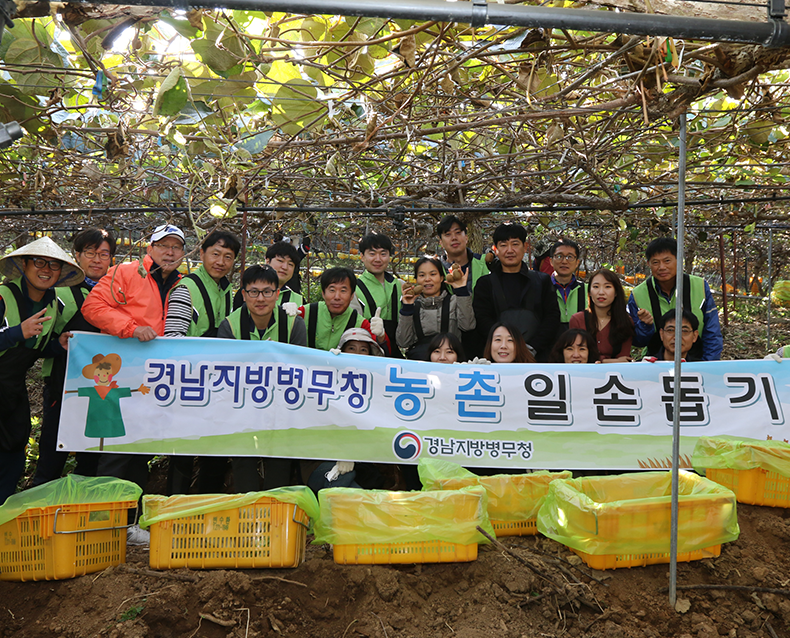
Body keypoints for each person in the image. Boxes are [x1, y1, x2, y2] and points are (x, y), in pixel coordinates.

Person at [81, 223, 185, 543]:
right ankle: (103, 524)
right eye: (163, 245)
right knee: (115, 452)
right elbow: (92, 307)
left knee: (141, 452)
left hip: (155, 381)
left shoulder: (182, 283)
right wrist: (130, 327)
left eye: (176, 247)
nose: (170, 252)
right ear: (150, 248)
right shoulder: (125, 273)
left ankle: (129, 525)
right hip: (121, 374)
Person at [0, 236, 84, 503]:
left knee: (14, 449)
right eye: (39, 262)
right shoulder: (3, 297)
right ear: (24, 264)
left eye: (54, 265)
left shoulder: (52, 303)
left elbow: (36, 349)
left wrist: (58, 345)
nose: (46, 270)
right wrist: (15, 333)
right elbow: (18, 338)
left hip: (11, 390)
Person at [32, 228, 116, 487]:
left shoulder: (118, 293)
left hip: (102, 392)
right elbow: (36, 343)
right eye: (89, 252)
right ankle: (40, 514)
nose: (96, 259)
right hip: (62, 385)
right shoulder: (59, 293)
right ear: (76, 256)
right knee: (52, 453)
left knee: (92, 458)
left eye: (104, 254)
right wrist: (58, 345)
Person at [218, 265, 307, 491]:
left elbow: (299, 368)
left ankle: (275, 509)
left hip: (282, 404)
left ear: (277, 294)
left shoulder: (294, 324)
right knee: (242, 457)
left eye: (267, 292)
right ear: (244, 294)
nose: (261, 298)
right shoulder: (230, 325)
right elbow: (226, 371)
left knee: (280, 459)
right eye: (254, 292)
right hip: (242, 404)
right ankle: (246, 506)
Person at [163, 230, 240, 495]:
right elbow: (172, 338)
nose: (220, 261)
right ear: (202, 253)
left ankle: (206, 506)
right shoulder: (187, 289)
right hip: (189, 382)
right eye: (215, 254)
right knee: (182, 451)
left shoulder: (226, 291)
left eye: (228, 257)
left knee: (214, 451)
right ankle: (175, 509)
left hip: (217, 385)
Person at [300, 326, 385, 493]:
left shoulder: (376, 388)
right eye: (351, 348)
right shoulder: (323, 382)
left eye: (363, 350)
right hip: (319, 463)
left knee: (354, 491)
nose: (357, 354)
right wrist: (341, 453)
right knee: (343, 483)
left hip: (360, 466)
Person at [473, 223, 560, 361]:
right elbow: (483, 320)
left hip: (537, 358)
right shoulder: (485, 284)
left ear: (525, 247)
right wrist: (505, 347)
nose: (510, 250)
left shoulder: (542, 281)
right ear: (495, 249)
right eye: (503, 245)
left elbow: (552, 317)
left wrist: (531, 348)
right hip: (498, 358)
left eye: (515, 244)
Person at [628, 237, 722, 361]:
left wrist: (706, 366)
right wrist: (645, 326)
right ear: (648, 264)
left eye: (667, 261)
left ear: (679, 261)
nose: (661, 267)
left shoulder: (699, 286)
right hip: (655, 363)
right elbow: (637, 341)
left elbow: (712, 332)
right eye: (655, 262)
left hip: (696, 360)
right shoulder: (638, 294)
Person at [396, 256, 475, 360]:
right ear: (416, 279)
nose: (427, 279)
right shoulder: (412, 305)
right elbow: (403, 341)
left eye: (433, 274)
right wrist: (407, 308)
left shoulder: (454, 301)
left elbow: (468, 326)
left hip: (451, 363)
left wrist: (462, 291)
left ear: (442, 278)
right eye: (422, 275)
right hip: (421, 364)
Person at [299, 267, 388, 352]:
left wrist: (381, 337)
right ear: (323, 293)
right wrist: (287, 317)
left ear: (352, 295)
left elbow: (381, 354)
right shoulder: (305, 312)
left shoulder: (359, 323)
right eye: (332, 290)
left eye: (343, 291)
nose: (337, 297)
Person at [354, 233, 403, 357]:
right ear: (362, 256)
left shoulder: (400, 286)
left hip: (396, 353)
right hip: (368, 352)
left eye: (383, 254)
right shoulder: (354, 289)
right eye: (372, 254)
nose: (378, 259)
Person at [569, 269, 634, 363]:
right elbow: (576, 356)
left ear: (616, 292)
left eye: (607, 287)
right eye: (596, 287)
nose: (601, 292)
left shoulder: (626, 321)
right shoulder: (578, 320)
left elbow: (624, 360)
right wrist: (606, 361)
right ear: (590, 292)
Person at [436, 215, 490, 297]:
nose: (454, 238)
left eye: (458, 232)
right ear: (441, 242)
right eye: (448, 234)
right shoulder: (436, 268)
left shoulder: (485, 263)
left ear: (466, 238)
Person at [550, 239, 587, 332]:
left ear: (577, 263)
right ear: (551, 261)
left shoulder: (586, 290)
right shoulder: (542, 288)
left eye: (570, 257)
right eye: (559, 256)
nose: (564, 261)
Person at [266, 241, 303, 306]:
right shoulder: (248, 292)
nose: (285, 267)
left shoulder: (298, 300)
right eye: (280, 261)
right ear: (267, 261)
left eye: (290, 264)